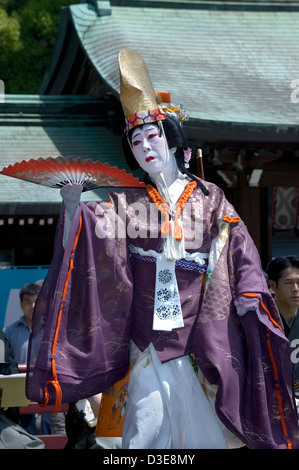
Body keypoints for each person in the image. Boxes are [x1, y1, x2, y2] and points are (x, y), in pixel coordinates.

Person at [26, 49, 299, 449]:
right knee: (146, 433)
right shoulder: (123, 201)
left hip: (204, 331)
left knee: (205, 435)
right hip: (145, 337)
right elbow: (85, 247)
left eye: (152, 136)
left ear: (173, 141)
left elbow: (240, 250)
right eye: (135, 141)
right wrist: (71, 205)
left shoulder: (211, 199)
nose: (145, 147)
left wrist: (248, 295)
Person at [267, 256, 299, 400]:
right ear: (273, 286)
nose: (296, 289)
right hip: (270, 396)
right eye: (289, 283)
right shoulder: (261, 319)